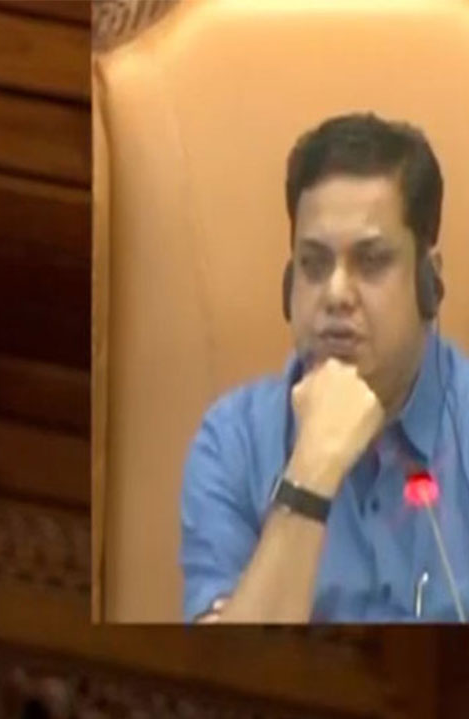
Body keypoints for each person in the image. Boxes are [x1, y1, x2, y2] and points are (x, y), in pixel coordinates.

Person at [179, 112, 469, 623]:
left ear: (430, 281)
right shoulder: (232, 442)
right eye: (313, 264)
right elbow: (226, 680)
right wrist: (311, 470)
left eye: (372, 261)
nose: (336, 294)